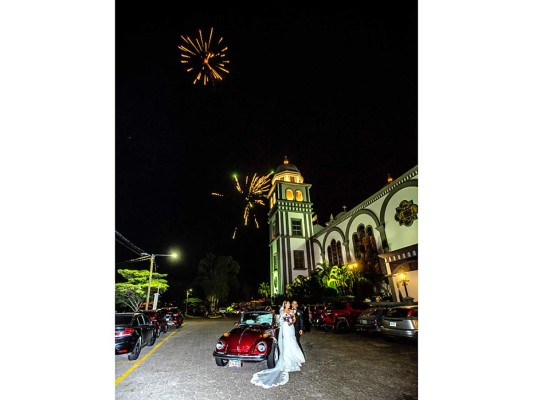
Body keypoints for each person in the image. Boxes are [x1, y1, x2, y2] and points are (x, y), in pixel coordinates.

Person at [250, 300, 305, 388]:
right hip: (285, 329)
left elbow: (294, 319)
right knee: (286, 343)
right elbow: (280, 321)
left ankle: (295, 357)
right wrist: (285, 320)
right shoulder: (282, 312)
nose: (289, 305)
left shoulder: (291, 311)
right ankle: (287, 360)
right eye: (287, 304)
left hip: (290, 328)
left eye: (289, 304)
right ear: (285, 305)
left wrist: (292, 321)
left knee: (293, 341)